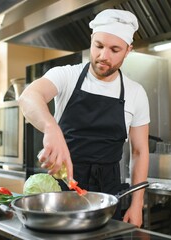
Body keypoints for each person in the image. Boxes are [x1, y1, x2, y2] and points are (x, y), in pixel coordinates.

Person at [18, 9, 150, 227]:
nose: (103, 56)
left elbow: (140, 151)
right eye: (98, 46)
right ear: (91, 40)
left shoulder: (136, 93)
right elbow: (29, 97)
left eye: (115, 49)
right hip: (63, 189)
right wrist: (51, 128)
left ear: (128, 50)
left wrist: (137, 205)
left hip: (108, 194)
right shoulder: (67, 75)